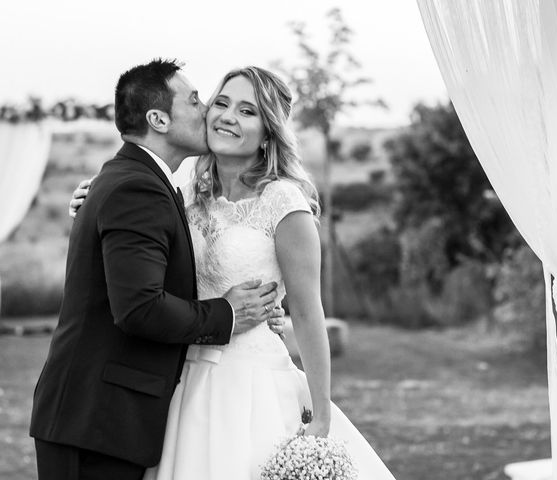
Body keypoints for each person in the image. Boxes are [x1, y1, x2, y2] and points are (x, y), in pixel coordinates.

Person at [71, 65, 396, 479]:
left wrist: (321, 417)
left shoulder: (283, 202)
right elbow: (137, 244)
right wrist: (92, 197)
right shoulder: (183, 193)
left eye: (247, 111)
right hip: (183, 382)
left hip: (252, 384)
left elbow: (309, 312)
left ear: (268, 132)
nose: (226, 116)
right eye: (220, 103)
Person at [30, 59, 285, 480]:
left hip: (107, 418)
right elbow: (139, 308)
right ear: (158, 119)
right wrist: (228, 313)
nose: (208, 111)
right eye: (197, 100)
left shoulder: (144, 182)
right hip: (97, 421)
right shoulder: (138, 186)